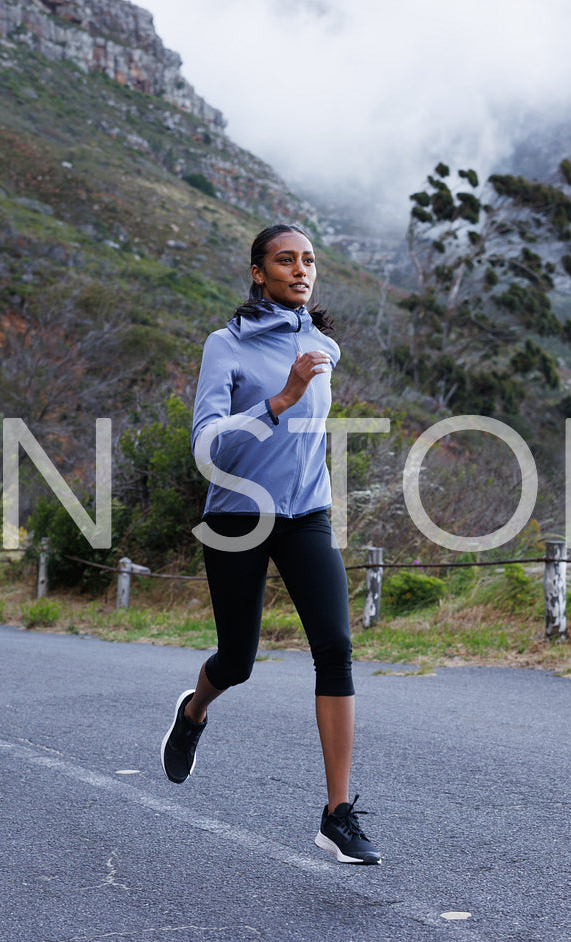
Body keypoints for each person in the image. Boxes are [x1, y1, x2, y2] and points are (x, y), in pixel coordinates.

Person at [160, 223, 381, 866]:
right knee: (238, 659)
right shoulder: (224, 347)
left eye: (309, 260)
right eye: (286, 260)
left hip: (307, 514)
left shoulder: (323, 346)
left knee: (335, 649)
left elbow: (309, 442)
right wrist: (280, 399)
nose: (301, 270)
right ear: (258, 272)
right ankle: (195, 710)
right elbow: (208, 447)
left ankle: (337, 815)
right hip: (237, 516)